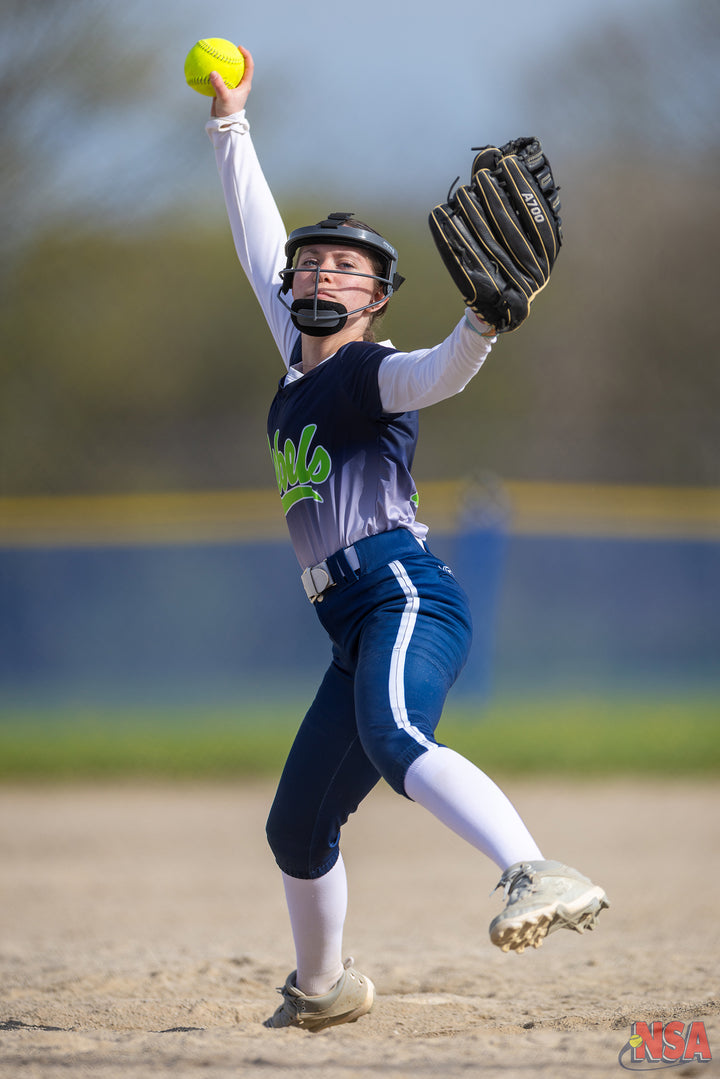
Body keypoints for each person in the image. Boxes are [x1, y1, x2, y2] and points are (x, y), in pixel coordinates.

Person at [203, 49, 609, 1033]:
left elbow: (435, 373)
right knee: (297, 824)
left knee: (394, 737)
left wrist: (481, 325)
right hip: (351, 622)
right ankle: (323, 987)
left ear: (377, 298)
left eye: (348, 267)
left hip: (403, 593)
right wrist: (229, 124)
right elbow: (254, 231)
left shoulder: (366, 371)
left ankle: (534, 867)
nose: (322, 270)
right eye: (311, 261)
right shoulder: (299, 367)